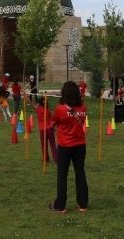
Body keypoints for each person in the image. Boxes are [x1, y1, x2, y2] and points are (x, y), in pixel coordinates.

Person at [50, 81, 88, 213]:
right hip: (80, 145)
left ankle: (60, 205)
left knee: (62, 175)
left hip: (65, 146)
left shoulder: (60, 109)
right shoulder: (83, 108)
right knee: (80, 173)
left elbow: (53, 122)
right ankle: (83, 204)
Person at [34, 95, 57, 163]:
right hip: (49, 129)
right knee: (53, 144)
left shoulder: (38, 108)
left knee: (44, 145)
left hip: (43, 130)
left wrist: (26, 97)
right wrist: (53, 127)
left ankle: (45, 158)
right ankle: (56, 158)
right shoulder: (48, 110)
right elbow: (53, 119)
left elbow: (33, 104)